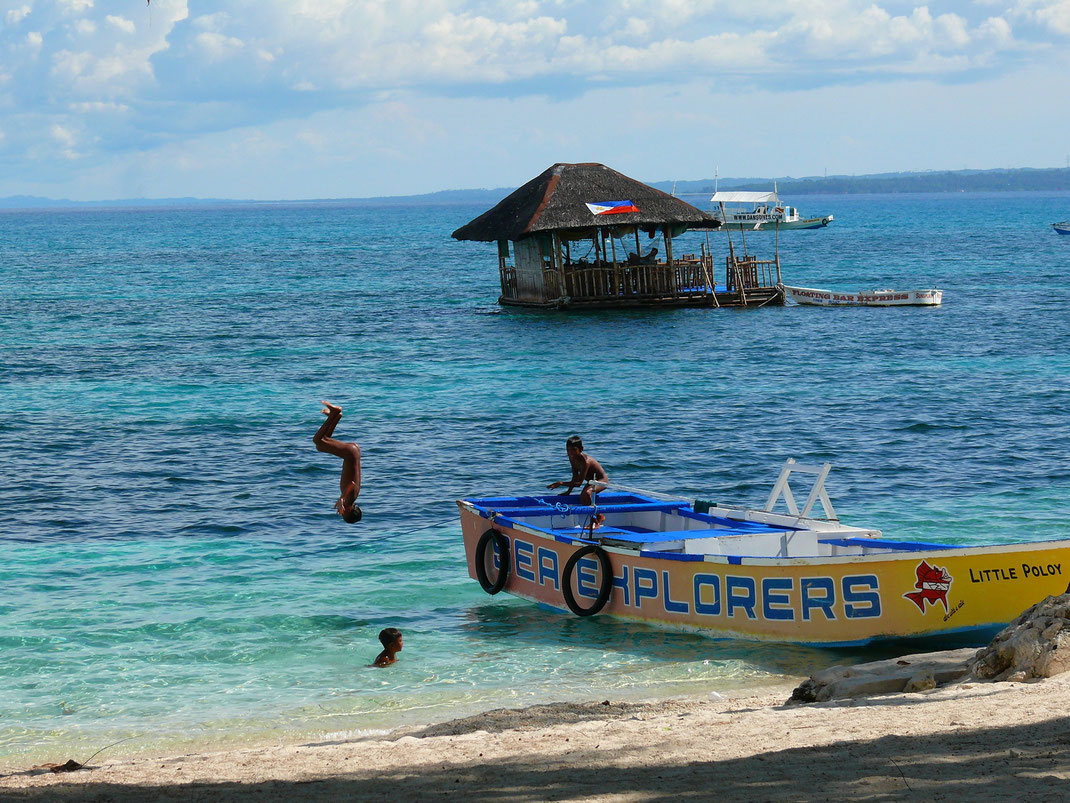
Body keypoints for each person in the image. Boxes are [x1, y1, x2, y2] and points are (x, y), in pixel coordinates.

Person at [312, 400, 362, 523]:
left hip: (353, 452)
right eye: (343, 514)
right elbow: (352, 483)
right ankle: (335, 412)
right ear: (349, 510)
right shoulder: (350, 499)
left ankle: (335, 416)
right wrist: (341, 498)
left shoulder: (353, 497)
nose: (340, 512)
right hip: (349, 453)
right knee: (318, 440)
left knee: (321, 446)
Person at [547, 435, 608, 505]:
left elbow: (579, 483)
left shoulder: (585, 462)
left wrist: (561, 483)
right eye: (568, 450)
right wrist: (568, 492)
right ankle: (591, 514)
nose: (570, 453)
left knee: (587, 493)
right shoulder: (572, 458)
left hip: (601, 481)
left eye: (574, 450)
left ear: (581, 449)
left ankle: (598, 515)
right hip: (591, 482)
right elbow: (575, 477)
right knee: (582, 498)